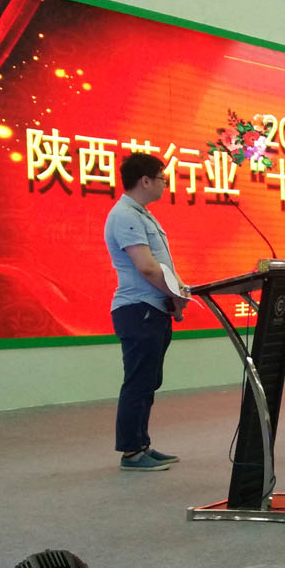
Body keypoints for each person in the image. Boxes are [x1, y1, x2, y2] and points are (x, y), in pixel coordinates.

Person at [105, 153, 186, 471]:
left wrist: (179, 292)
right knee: (138, 381)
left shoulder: (143, 215)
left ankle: (141, 444)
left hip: (153, 309)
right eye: (163, 178)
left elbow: (163, 265)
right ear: (145, 180)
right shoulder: (125, 215)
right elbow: (148, 268)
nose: (166, 184)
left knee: (149, 381)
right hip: (138, 309)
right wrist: (177, 295)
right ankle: (131, 452)